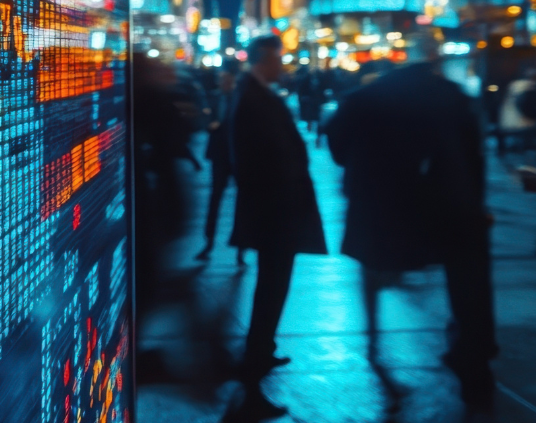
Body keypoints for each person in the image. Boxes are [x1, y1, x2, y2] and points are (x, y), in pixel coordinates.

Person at [325, 35, 498, 411]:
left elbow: (337, 149)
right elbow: (474, 156)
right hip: (449, 204)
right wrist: (476, 202)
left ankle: (374, 344)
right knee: (468, 281)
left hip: (382, 208)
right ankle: (474, 364)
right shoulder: (452, 95)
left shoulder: (365, 97)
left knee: (373, 274)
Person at [229, 36, 327, 421]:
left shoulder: (255, 93)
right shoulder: (254, 99)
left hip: (275, 212)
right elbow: (258, 160)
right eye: (279, 58)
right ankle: (253, 372)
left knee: (273, 285)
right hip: (275, 214)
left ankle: (262, 351)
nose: (283, 65)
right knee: (272, 288)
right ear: (266, 59)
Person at [196, 59, 244, 264]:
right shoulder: (214, 98)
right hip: (219, 155)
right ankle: (209, 241)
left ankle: (241, 248)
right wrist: (210, 124)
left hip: (237, 155)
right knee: (215, 198)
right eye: (222, 80)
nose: (223, 83)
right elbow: (203, 119)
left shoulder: (240, 99)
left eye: (227, 80)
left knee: (241, 201)